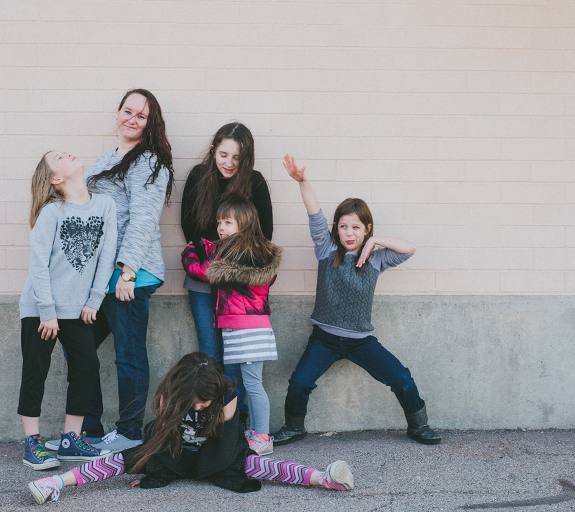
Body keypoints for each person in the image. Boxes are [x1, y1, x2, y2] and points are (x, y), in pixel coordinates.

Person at [271, 155, 442, 447]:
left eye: (356, 228)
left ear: (367, 229)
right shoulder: (326, 249)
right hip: (324, 339)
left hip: (361, 341)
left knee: (401, 378)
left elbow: (409, 248)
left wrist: (376, 242)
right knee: (299, 383)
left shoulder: (376, 258)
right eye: (343, 227)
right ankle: (293, 426)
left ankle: (419, 425)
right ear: (336, 229)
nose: (349, 233)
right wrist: (303, 181)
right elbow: (315, 214)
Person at [27, 352, 354, 505]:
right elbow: (161, 436)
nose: (198, 407)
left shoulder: (227, 395)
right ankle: (55, 483)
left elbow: (224, 440)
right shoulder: (173, 394)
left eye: (203, 402)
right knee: (120, 459)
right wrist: (155, 465)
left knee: (263, 465)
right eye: (192, 402)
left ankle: (325, 479)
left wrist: (222, 466)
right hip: (174, 450)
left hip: (220, 452)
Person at [45, 89, 174, 454]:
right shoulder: (108, 158)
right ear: (117, 113)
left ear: (151, 124)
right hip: (103, 278)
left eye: (141, 116)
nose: (132, 119)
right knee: (78, 347)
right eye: (128, 111)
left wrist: (128, 272)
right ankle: (89, 431)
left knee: (129, 353)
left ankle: (130, 431)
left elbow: (144, 220)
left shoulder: (148, 162)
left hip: (131, 275)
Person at [18, 151, 117, 470]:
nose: (68, 154)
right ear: (56, 179)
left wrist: (95, 300)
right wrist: (47, 311)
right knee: (36, 370)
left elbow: (107, 256)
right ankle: (32, 444)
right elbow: (39, 266)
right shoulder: (51, 213)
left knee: (86, 366)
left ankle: (70, 439)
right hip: (40, 307)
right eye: (59, 157)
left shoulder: (105, 205)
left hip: (76, 309)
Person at [180, 123, 273, 418]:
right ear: (213, 150)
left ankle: (235, 418)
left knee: (236, 357)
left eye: (237, 157)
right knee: (210, 351)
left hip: (238, 288)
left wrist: (232, 268)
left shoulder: (255, 183)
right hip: (203, 279)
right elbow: (190, 228)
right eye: (223, 154)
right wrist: (211, 265)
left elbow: (263, 234)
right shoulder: (198, 177)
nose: (229, 163)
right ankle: (209, 415)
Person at [181, 199, 282, 455]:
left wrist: (189, 252)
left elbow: (204, 270)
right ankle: (255, 432)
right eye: (219, 222)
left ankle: (262, 436)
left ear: (244, 224)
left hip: (248, 328)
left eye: (227, 222)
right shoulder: (242, 250)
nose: (220, 227)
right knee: (244, 382)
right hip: (240, 327)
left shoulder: (241, 255)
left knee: (253, 384)